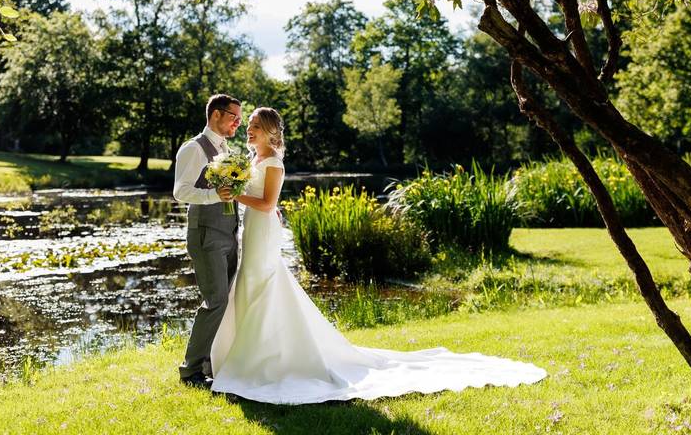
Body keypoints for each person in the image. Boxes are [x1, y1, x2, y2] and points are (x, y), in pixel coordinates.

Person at [209, 107, 546, 403]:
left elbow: (266, 204)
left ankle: (262, 361)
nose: (248, 128)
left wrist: (236, 195)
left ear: (269, 131)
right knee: (250, 283)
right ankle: (250, 356)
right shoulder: (252, 160)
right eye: (248, 123)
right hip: (252, 230)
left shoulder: (274, 165)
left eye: (253, 123)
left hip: (262, 230)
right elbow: (269, 204)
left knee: (262, 283)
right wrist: (236, 191)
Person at [172, 94, 243, 389]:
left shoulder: (226, 149)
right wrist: (215, 195)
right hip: (205, 233)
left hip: (228, 232)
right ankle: (190, 371)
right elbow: (180, 191)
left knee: (225, 300)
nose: (238, 123)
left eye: (239, 119)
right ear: (215, 114)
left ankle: (210, 363)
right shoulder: (193, 148)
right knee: (216, 299)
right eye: (233, 117)